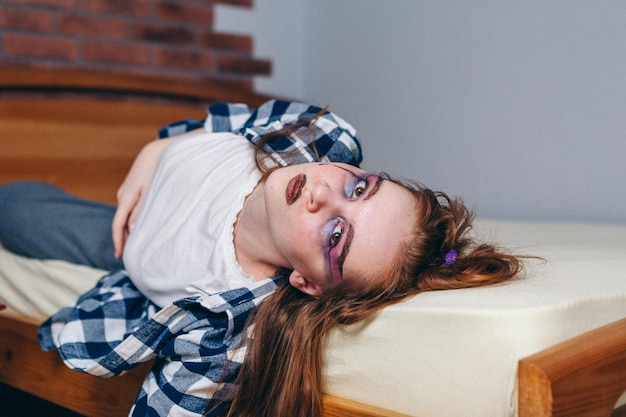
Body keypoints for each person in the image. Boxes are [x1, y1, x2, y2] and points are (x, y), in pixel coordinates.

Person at [0, 100, 522, 417]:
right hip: (139, 200)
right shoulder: (316, 139)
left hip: (129, 246)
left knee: (13, 209)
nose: (324, 194)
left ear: (309, 283)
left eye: (336, 234)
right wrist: (151, 155)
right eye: (359, 187)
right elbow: (217, 121)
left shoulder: (221, 319)